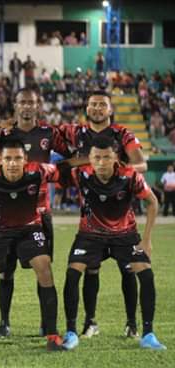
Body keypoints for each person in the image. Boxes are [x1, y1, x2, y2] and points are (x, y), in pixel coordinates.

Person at [61, 136, 166, 351]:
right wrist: (80, 160)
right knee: (73, 274)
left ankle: (147, 333)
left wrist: (146, 241)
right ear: (89, 158)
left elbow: (153, 202)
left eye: (106, 157)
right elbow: (56, 170)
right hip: (90, 234)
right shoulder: (81, 173)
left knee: (145, 273)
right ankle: (71, 332)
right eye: (96, 157)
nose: (101, 162)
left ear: (116, 157)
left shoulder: (129, 176)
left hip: (125, 235)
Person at [0, 139, 64, 351]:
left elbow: (65, 170)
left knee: (44, 267)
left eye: (18, 158)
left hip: (30, 229)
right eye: (8, 158)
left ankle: (52, 335)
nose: (13, 163)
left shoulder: (39, 171)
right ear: (0, 161)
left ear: (25, 160)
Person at [60, 90, 148, 339]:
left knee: (128, 269)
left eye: (102, 104)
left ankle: (132, 324)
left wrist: (115, 165)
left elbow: (142, 165)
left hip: (122, 217)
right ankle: (90, 322)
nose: (97, 108)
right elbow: (61, 161)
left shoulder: (123, 134)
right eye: (92, 104)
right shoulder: (76, 133)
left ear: (110, 109)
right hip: (92, 219)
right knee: (91, 269)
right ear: (86, 108)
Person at [0, 88, 69, 338]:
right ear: (15, 105)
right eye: (22, 102)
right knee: (6, 271)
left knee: (42, 268)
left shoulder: (48, 133)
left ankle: (46, 324)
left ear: (38, 106)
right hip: (7, 212)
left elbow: (71, 157)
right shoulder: (4, 133)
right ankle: (4, 322)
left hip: (40, 212)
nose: (26, 106)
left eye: (31, 102)